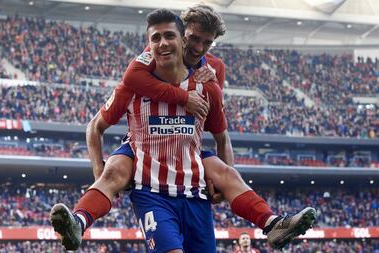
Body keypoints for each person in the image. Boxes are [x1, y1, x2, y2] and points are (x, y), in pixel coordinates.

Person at [50, 5, 316, 251]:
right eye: (193, 38)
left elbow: (218, 131)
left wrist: (220, 185)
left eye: (206, 42)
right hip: (145, 156)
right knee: (114, 170)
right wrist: (183, 97)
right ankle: (78, 221)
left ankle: (273, 224)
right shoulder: (140, 69)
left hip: (188, 161)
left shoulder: (212, 75)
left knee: (226, 173)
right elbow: (105, 112)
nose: (198, 47)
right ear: (181, 34)